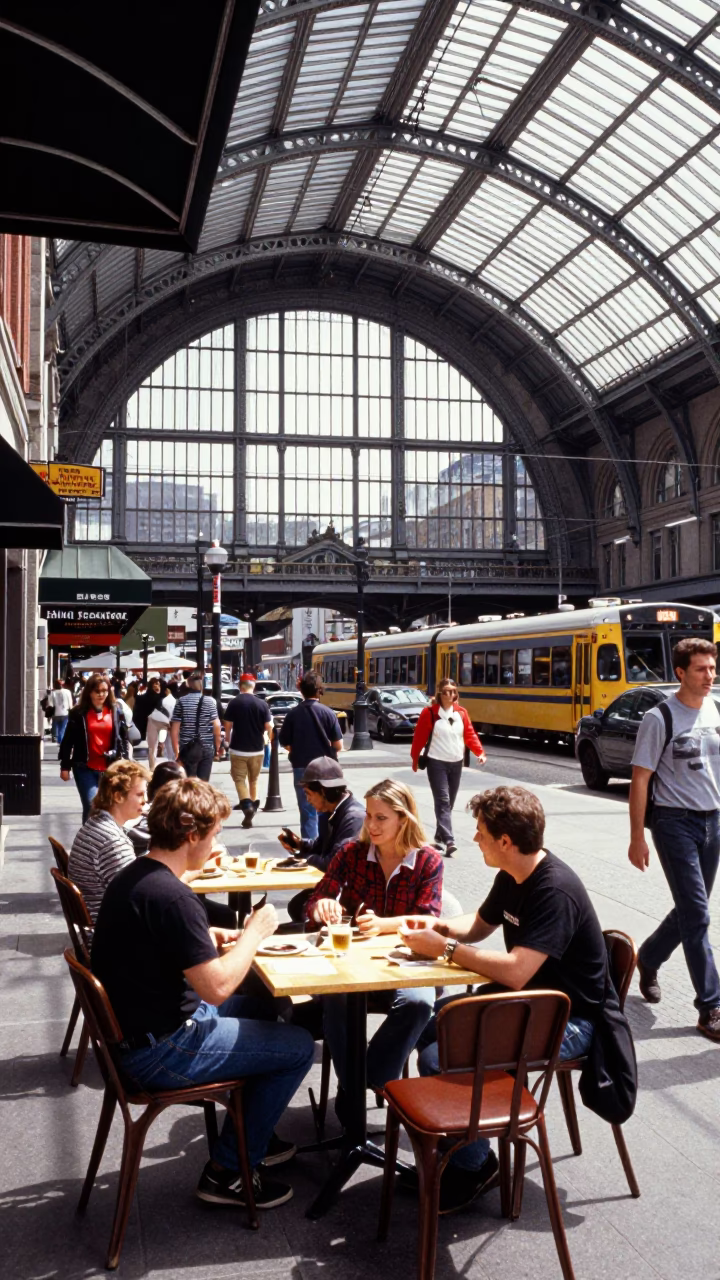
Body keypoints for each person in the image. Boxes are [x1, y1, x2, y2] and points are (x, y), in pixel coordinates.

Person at [91, 778, 315, 1209]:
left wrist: (207, 937)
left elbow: (154, 942)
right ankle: (228, 1171)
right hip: (161, 1050)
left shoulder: (137, 877)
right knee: (299, 1046)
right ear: (192, 835)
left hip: (136, 1034)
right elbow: (216, 989)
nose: (218, 841)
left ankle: (254, 1133)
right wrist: (253, 934)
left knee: (268, 1007)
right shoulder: (174, 897)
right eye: (214, 833)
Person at [402, 785, 606, 1214]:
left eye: (479, 832)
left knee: (441, 1058)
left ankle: (474, 1165)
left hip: (569, 1020)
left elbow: (516, 969)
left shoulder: (554, 890)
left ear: (505, 842)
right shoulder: (512, 875)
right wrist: (436, 928)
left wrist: (443, 951)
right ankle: (467, 1136)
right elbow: (477, 927)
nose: (474, 839)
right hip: (527, 1003)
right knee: (426, 1019)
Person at [304, 779, 443, 1109]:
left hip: (408, 964)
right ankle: (352, 1091)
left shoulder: (427, 861)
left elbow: (430, 919)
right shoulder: (351, 853)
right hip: (353, 964)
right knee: (335, 998)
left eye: (381, 818)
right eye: (368, 816)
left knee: (420, 1002)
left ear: (403, 819)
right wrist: (322, 908)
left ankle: (370, 1077)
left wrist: (385, 925)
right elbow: (315, 900)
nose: (371, 824)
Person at [628, 637, 720, 1041]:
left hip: (714, 820)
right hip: (674, 823)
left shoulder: (717, 709)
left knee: (689, 909)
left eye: (713, 668)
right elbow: (640, 779)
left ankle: (647, 958)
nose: (709, 676)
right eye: (701, 669)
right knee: (697, 914)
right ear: (681, 672)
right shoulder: (659, 717)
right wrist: (636, 837)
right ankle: (711, 1006)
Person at [280, 757, 366, 923]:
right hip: (335, 884)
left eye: (309, 794)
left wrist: (303, 858)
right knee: (296, 905)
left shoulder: (354, 818)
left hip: (348, 890)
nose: (308, 800)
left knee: (301, 907)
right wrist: (300, 844)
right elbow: (322, 845)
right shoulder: (330, 811)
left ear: (324, 791)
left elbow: (333, 863)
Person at [411, 677, 486, 856]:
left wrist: (480, 752)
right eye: (446, 691)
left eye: (453, 691)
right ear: (440, 693)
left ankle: (439, 835)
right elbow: (419, 738)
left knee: (449, 802)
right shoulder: (429, 713)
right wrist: (415, 759)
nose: (450, 694)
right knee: (443, 801)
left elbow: (469, 734)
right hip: (436, 762)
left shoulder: (461, 713)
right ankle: (450, 840)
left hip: (456, 762)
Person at [68, 759, 151, 921]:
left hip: (102, 923)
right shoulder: (112, 842)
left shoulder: (96, 823)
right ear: (118, 796)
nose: (145, 800)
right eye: (140, 794)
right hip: (113, 935)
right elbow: (141, 895)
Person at [279, 670, 343, 840]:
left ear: (301, 691)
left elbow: (284, 741)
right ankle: (326, 846)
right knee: (328, 808)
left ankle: (310, 847)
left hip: (302, 767)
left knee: (307, 810)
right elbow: (338, 744)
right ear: (319, 690)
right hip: (326, 768)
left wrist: (297, 749)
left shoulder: (293, 714)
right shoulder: (328, 713)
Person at [59, 675, 130, 821]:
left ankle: (105, 838)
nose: (101, 694)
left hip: (110, 768)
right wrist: (64, 766)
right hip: (84, 766)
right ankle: (88, 840)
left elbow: (123, 738)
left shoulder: (116, 710)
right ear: (89, 692)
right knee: (91, 805)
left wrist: (126, 761)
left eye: (105, 691)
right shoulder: (78, 713)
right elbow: (68, 741)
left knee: (110, 807)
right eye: (97, 691)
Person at [223, 673, 273, 828]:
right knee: (254, 779)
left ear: (240, 686)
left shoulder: (234, 703)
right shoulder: (262, 704)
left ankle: (247, 806)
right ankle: (253, 803)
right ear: (254, 685)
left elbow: (228, 726)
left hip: (238, 748)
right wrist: (268, 739)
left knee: (239, 779)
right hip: (257, 749)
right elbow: (269, 726)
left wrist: (226, 742)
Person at [169, 670, 222, 781]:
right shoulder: (209, 701)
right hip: (206, 746)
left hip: (187, 747)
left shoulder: (181, 701)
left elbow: (175, 729)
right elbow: (217, 726)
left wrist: (176, 751)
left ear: (189, 685)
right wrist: (217, 746)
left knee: (189, 782)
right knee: (204, 783)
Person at [49, 678, 73, 744]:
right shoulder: (67, 692)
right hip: (65, 712)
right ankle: (60, 740)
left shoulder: (52, 693)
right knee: (62, 728)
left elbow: (50, 704)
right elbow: (70, 703)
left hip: (56, 713)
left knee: (56, 726)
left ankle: (57, 738)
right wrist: (70, 709)